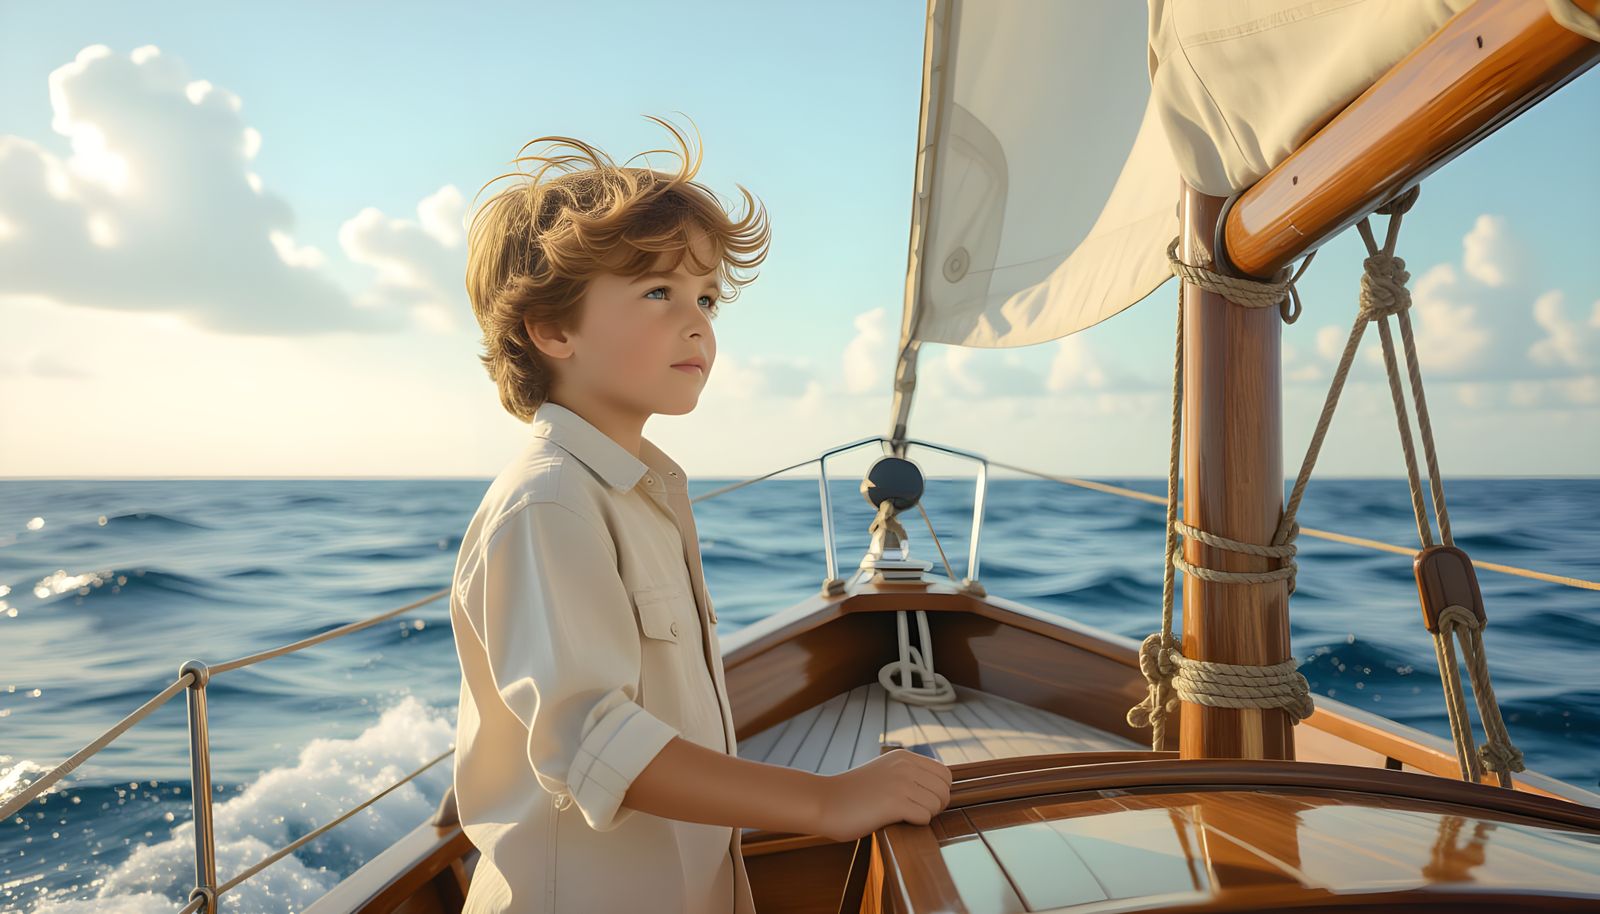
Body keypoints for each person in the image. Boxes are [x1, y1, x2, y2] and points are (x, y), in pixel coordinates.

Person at [448, 115, 952, 914]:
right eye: (658, 291)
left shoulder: (636, 494)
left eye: (707, 297)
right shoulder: (550, 503)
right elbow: (594, 742)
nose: (698, 323)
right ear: (551, 328)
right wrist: (824, 802)